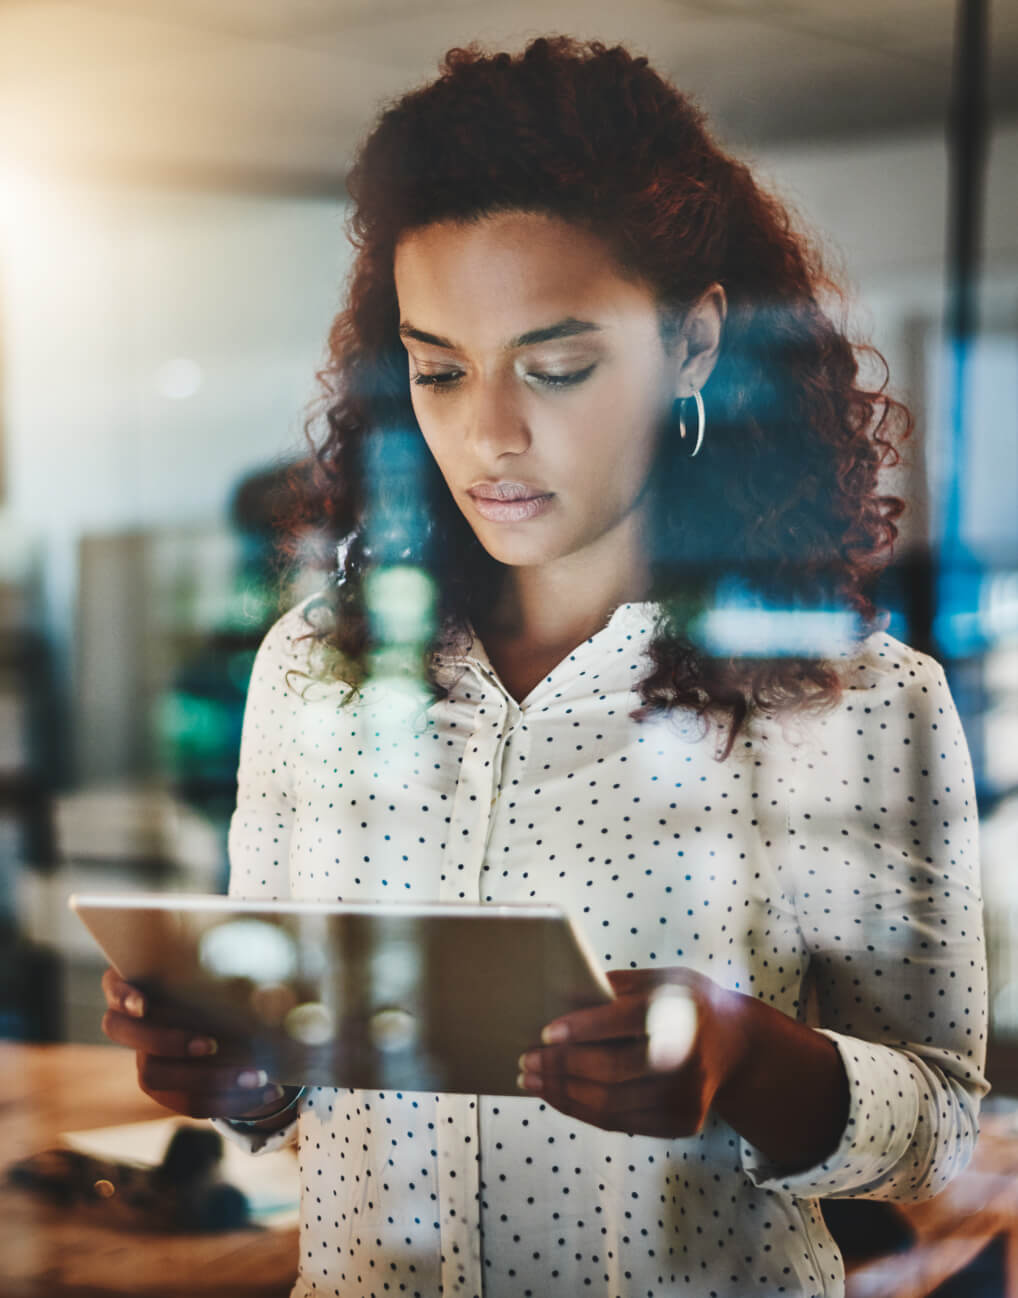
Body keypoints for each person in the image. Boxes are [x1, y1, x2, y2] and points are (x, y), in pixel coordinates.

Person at [101, 36, 988, 1298]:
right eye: (437, 369)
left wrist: (745, 1051)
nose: (488, 432)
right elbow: (289, 1073)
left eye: (557, 366)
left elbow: (940, 1124)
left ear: (692, 348)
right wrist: (234, 1070)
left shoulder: (858, 700)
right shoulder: (314, 673)